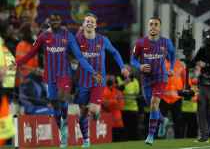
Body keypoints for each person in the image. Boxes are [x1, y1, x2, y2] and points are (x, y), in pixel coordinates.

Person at [15, 13, 95, 148]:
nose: (55, 24)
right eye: (53, 22)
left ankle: (67, 123)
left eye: (57, 21)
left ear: (60, 22)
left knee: (62, 98)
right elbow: (31, 52)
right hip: (50, 76)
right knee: (54, 103)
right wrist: (18, 63)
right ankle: (62, 129)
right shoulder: (43, 37)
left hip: (64, 75)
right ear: (49, 23)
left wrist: (91, 71)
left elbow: (79, 57)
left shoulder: (67, 36)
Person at [74, 13, 129, 147]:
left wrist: (122, 67)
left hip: (98, 81)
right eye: (87, 21)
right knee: (81, 113)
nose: (89, 23)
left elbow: (115, 53)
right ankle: (86, 139)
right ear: (83, 24)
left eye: (92, 22)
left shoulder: (103, 40)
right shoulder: (77, 39)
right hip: (83, 81)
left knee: (93, 109)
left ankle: (96, 112)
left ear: (96, 25)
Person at [131, 17, 175, 145]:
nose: (153, 26)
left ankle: (150, 136)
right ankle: (163, 120)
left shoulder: (166, 42)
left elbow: (172, 56)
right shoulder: (140, 43)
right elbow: (133, 59)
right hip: (146, 79)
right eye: (151, 24)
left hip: (161, 77)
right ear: (148, 26)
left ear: (160, 27)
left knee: (154, 104)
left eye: (156, 24)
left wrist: (171, 68)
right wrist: (140, 66)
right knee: (151, 106)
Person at [159, 58, 186, 138]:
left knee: (178, 121)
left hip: (176, 98)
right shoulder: (161, 63)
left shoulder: (180, 64)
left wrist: (182, 92)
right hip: (164, 97)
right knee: (161, 120)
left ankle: (179, 139)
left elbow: (185, 80)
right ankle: (158, 139)